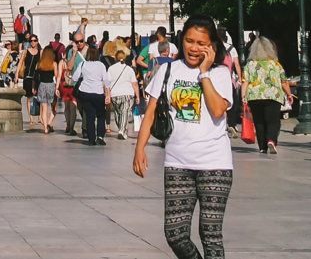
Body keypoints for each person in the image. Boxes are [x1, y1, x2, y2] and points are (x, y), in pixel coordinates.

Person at [134, 16, 234, 259]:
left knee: (210, 234)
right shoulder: (168, 70)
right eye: (189, 41)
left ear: (211, 46)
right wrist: (139, 149)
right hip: (178, 162)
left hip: (215, 165)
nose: (194, 47)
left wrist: (203, 74)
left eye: (201, 43)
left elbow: (218, 109)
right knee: (175, 233)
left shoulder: (219, 73)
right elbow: (150, 114)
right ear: (182, 40)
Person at [242, 35, 293, 154]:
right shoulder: (275, 65)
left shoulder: (250, 65)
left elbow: (245, 81)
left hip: (254, 96)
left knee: (259, 121)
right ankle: (271, 140)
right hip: (273, 96)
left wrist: (243, 96)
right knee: (273, 120)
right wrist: (289, 95)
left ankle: (262, 147)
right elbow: (284, 81)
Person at [73, 42, 111, 144]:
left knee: (89, 115)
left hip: (85, 92)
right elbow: (106, 80)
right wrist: (108, 94)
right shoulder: (101, 65)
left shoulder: (83, 64)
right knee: (101, 115)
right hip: (98, 92)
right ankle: (100, 137)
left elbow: (75, 77)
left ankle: (91, 138)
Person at [105, 40, 140, 141]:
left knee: (118, 113)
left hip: (115, 94)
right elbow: (134, 83)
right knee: (124, 112)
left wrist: (108, 95)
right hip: (127, 93)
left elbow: (107, 83)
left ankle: (121, 128)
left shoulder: (111, 69)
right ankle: (122, 130)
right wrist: (137, 96)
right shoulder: (129, 69)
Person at [34, 44, 59, 134]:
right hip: (51, 85)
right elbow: (56, 76)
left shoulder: (39, 64)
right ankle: (49, 122)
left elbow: (35, 76)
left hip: (42, 85)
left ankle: (45, 128)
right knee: (54, 107)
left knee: (44, 108)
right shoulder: (54, 64)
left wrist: (34, 87)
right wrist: (58, 87)